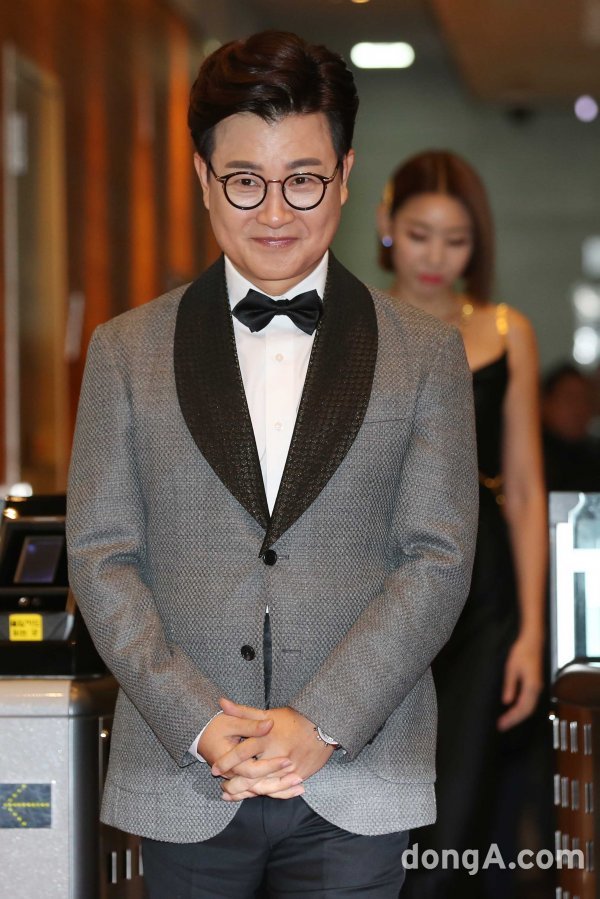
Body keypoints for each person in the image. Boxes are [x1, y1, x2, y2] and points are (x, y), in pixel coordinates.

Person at [66, 35, 478, 899]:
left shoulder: (427, 353)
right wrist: (197, 720)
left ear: (346, 174)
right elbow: (103, 557)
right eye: (245, 181)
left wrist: (323, 719)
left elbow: (437, 558)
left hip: (359, 769)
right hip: (186, 773)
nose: (275, 212)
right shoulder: (124, 351)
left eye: (304, 180)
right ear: (202, 177)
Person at [377, 150, 547, 897]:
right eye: (420, 235)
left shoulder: (507, 330)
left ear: (478, 243)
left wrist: (533, 632)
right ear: (386, 224)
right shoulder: (353, 322)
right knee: (376, 815)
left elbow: (527, 488)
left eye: (456, 240)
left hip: (483, 596)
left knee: (458, 817)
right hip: (380, 585)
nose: (435, 257)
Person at [541, 362, 600, 491]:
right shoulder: (533, 456)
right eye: (569, 398)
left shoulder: (594, 456)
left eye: (586, 399)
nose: (579, 408)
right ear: (545, 403)